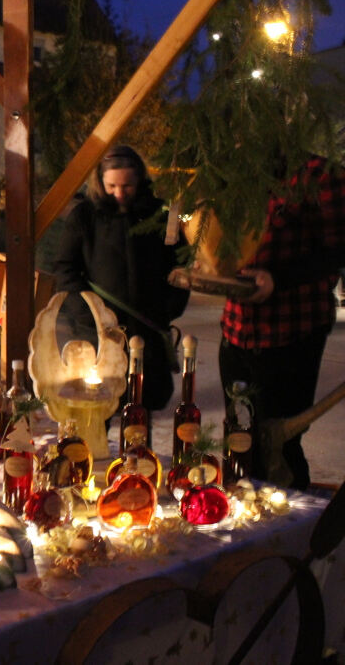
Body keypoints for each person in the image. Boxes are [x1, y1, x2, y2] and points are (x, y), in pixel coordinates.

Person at [219, 154, 345, 490]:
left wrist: (279, 278)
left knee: (279, 446)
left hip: (290, 334)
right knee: (239, 440)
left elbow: (338, 249)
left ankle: (288, 518)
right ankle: (238, 508)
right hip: (235, 332)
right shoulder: (235, 172)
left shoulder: (319, 175)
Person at [51, 145, 189, 411]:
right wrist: (88, 314)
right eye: (112, 186)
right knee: (95, 411)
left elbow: (181, 264)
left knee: (142, 409)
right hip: (99, 335)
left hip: (148, 332)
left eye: (126, 186)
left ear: (139, 180)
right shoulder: (84, 217)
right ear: (100, 182)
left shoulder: (160, 216)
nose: (119, 193)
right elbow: (66, 269)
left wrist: (170, 307)